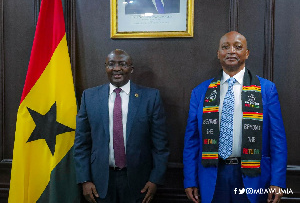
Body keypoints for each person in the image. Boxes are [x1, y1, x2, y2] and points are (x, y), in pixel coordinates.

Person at [183, 31, 287, 203]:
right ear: (218, 54)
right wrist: (190, 179)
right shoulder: (200, 92)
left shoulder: (267, 90)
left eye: (238, 47)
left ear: (246, 53)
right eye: (225, 47)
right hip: (213, 175)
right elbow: (191, 140)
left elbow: (278, 139)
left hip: (253, 175)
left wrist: (277, 181)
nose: (231, 51)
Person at [74, 49, 169, 203]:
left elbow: (160, 145)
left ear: (131, 69)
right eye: (111, 64)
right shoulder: (89, 97)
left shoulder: (151, 97)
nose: (116, 68)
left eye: (122, 64)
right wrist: (85, 180)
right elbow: (81, 144)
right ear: (106, 68)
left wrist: (155, 180)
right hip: (99, 183)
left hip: (140, 183)